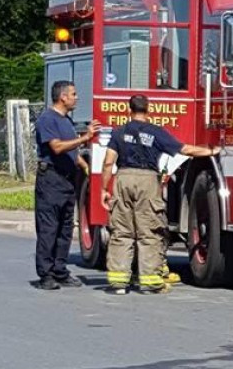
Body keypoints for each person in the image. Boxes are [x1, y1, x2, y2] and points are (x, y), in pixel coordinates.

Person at [101, 94, 221, 295]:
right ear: (148, 109)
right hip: (147, 180)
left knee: (121, 230)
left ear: (129, 110)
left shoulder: (118, 133)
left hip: (123, 178)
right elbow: (185, 149)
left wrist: (104, 189)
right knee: (149, 231)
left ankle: (118, 283)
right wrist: (211, 151)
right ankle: (149, 282)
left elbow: (108, 162)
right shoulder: (156, 132)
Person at [34, 80, 100, 290]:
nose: (76, 97)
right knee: (49, 229)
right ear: (62, 97)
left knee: (65, 228)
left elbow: (72, 153)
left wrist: (84, 167)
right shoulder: (48, 119)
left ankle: (60, 270)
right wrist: (85, 138)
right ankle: (46, 274)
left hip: (67, 180)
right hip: (50, 180)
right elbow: (57, 147)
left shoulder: (67, 121)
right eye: (73, 94)